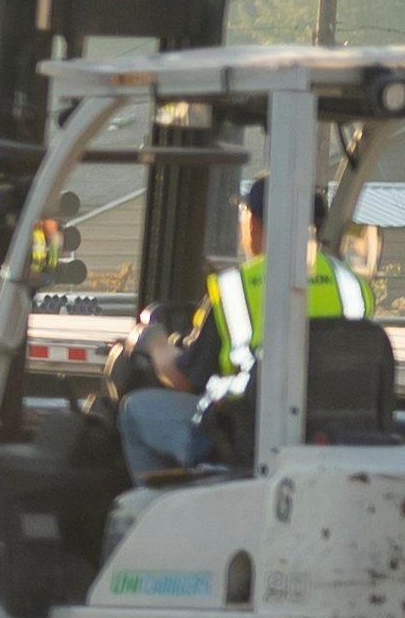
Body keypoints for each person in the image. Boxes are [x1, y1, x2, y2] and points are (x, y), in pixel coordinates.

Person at [114, 175, 366, 482]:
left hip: (249, 439)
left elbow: (184, 379)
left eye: (244, 217)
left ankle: (155, 517)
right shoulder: (351, 283)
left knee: (135, 409)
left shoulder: (237, 288)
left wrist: (154, 342)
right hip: (337, 433)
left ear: (256, 225)